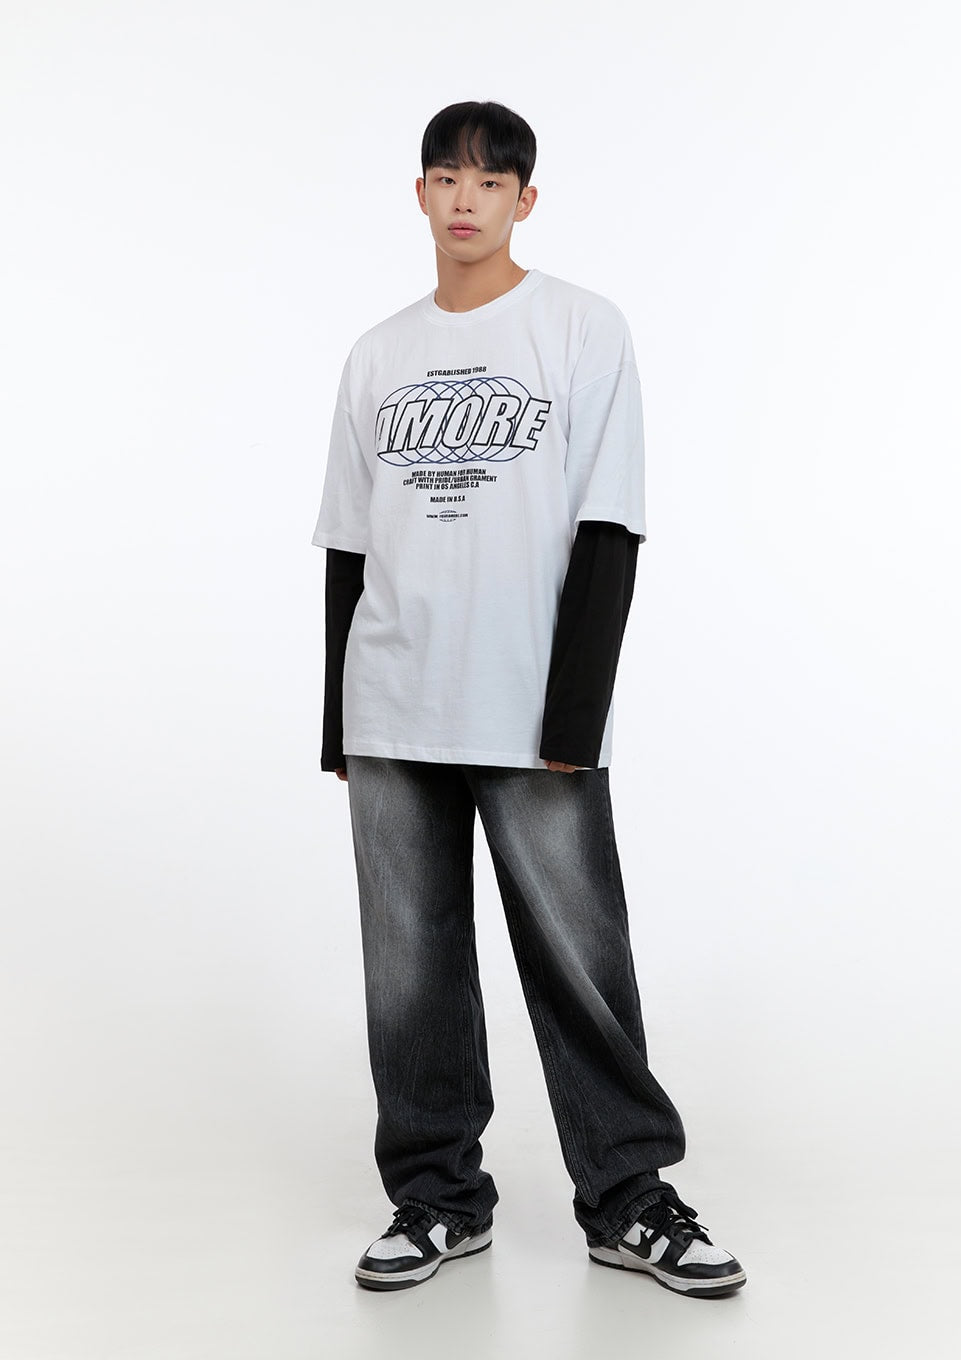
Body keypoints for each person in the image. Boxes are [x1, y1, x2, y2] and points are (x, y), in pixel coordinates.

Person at [311, 99, 747, 1298]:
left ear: (524, 200)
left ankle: (627, 1197)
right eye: (446, 177)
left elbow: (610, 519)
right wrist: (337, 717)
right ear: (419, 193)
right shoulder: (377, 353)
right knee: (409, 973)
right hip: (392, 698)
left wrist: (575, 714)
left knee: (579, 961)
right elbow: (348, 543)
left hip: (529, 699)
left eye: (490, 181)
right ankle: (437, 1198)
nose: (466, 199)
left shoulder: (578, 327)